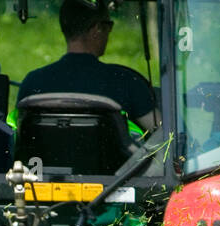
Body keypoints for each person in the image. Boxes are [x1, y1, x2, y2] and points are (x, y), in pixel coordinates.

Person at [17, 0, 159, 132]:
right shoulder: (125, 81)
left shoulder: (32, 83)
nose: (109, 32)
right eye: (109, 26)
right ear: (97, 29)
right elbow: (164, 135)